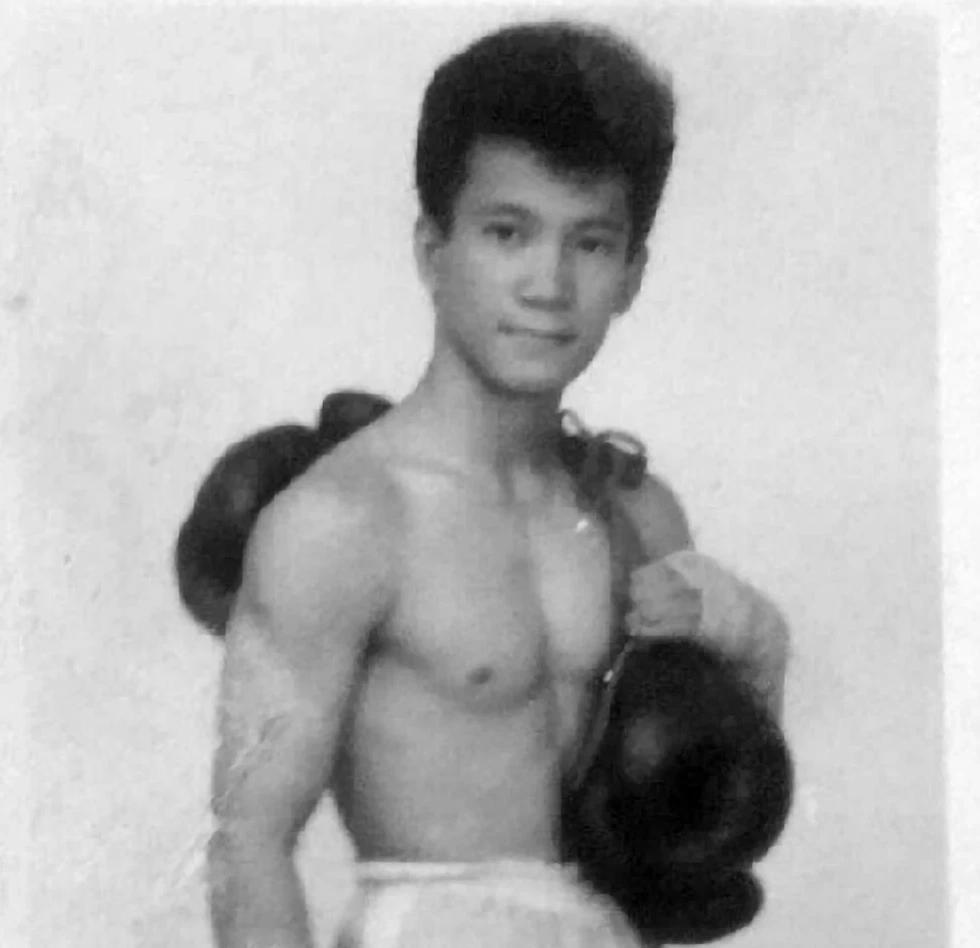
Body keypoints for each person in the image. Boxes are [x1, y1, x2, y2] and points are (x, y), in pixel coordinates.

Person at [200, 20, 789, 948]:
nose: (547, 284)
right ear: (433, 250)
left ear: (631, 274)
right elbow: (249, 842)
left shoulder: (639, 514)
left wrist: (748, 634)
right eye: (507, 233)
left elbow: (699, 824)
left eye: (590, 242)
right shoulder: (343, 519)